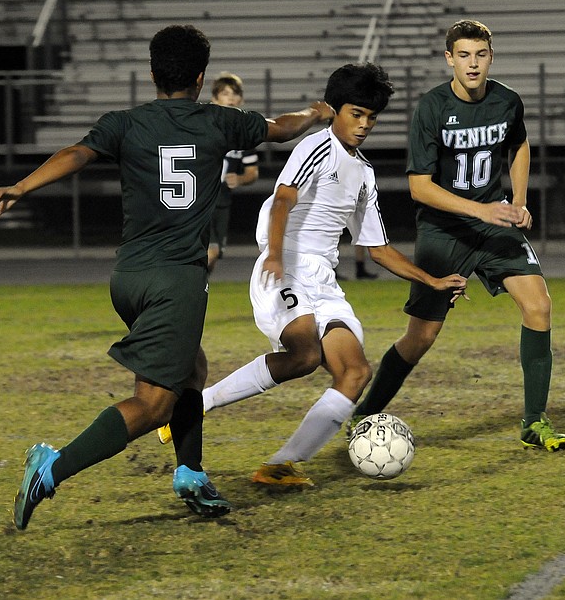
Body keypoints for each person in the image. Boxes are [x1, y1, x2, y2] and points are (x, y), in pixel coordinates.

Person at [0, 24, 335, 530]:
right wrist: (317, 114)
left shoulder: (125, 123)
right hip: (177, 280)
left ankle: (190, 472)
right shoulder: (220, 122)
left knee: (192, 368)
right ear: (200, 76)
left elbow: (77, 153)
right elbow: (280, 127)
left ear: (152, 74)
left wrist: (22, 185)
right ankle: (51, 469)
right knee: (152, 404)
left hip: (129, 277)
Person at [187, 63, 467, 486]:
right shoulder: (317, 146)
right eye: (356, 113)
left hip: (323, 280)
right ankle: (196, 405)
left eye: (371, 117)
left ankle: (282, 464)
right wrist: (277, 256)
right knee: (305, 356)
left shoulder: (365, 173)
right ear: (336, 110)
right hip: (285, 267)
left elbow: (375, 248)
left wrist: (431, 280)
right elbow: (283, 200)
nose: (364, 125)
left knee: (355, 372)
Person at [350, 20, 565, 452]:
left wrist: (519, 201)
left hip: (494, 226)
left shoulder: (508, 101)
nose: (473, 63)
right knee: (421, 338)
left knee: (539, 305)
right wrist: (482, 209)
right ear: (449, 58)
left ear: (492, 56)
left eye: (481, 54)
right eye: (464, 55)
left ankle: (534, 422)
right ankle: (364, 413)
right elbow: (419, 186)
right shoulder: (432, 107)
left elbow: (519, 144)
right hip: (443, 231)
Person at [207, 72, 260, 273]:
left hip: (222, 201)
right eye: (225, 93)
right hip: (200, 200)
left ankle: (198, 293)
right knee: (208, 252)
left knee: (215, 254)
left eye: (235, 93)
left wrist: (240, 178)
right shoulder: (205, 128)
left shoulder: (244, 137)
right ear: (214, 99)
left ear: (241, 99)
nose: (230, 98)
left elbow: (252, 172)